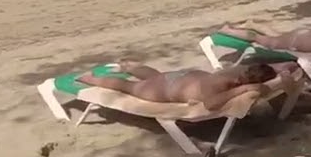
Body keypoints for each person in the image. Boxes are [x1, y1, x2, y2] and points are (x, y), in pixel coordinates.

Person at [76, 60, 285, 111]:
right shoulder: (225, 85)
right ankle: (88, 79)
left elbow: (285, 66)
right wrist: (243, 90)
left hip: (180, 78)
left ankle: (128, 66)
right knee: (126, 87)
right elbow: (211, 104)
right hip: (167, 89)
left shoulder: (234, 72)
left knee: (155, 77)